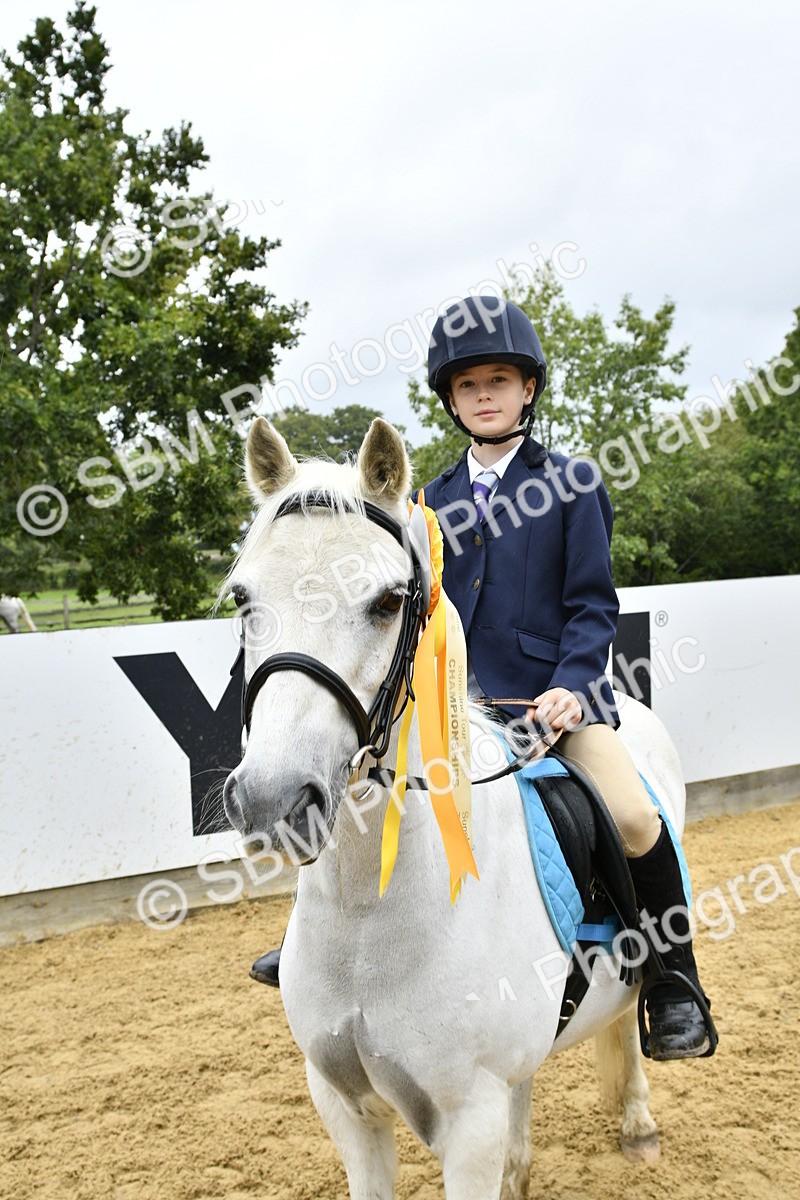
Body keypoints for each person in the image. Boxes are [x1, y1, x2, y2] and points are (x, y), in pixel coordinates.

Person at [252, 295, 713, 1062]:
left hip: (558, 703)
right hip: (456, 710)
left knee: (633, 816)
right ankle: (316, 949)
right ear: (452, 399)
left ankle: (673, 980)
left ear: (529, 388)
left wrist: (570, 687)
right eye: (469, 386)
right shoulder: (423, 502)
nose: (486, 395)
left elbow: (593, 606)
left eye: (500, 379)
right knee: (359, 789)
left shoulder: (573, 484)